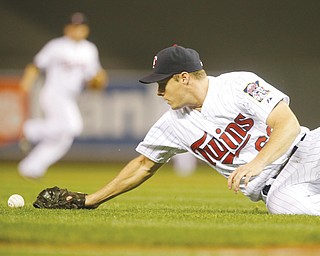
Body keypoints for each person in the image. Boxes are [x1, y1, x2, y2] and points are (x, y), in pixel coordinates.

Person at [34, 45, 320, 216]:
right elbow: (143, 165)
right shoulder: (172, 123)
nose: (158, 92)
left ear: (183, 78)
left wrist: (257, 163)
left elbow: (288, 124)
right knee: (289, 209)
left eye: (162, 83)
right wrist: (91, 200)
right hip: (278, 190)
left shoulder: (237, 84)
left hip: (307, 151)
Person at [18, 12, 107, 179]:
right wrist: (26, 83)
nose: (77, 29)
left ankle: (31, 167)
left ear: (86, 29)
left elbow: (94, 81)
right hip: (54, 93)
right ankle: (30, 129)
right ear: (67, 28)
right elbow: (36, 66)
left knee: (63, 138)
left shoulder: (89, 50)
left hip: (71, 97)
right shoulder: (56, 46)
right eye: (74, 26)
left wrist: (99, 81)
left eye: (81, 26)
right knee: (72, 127)